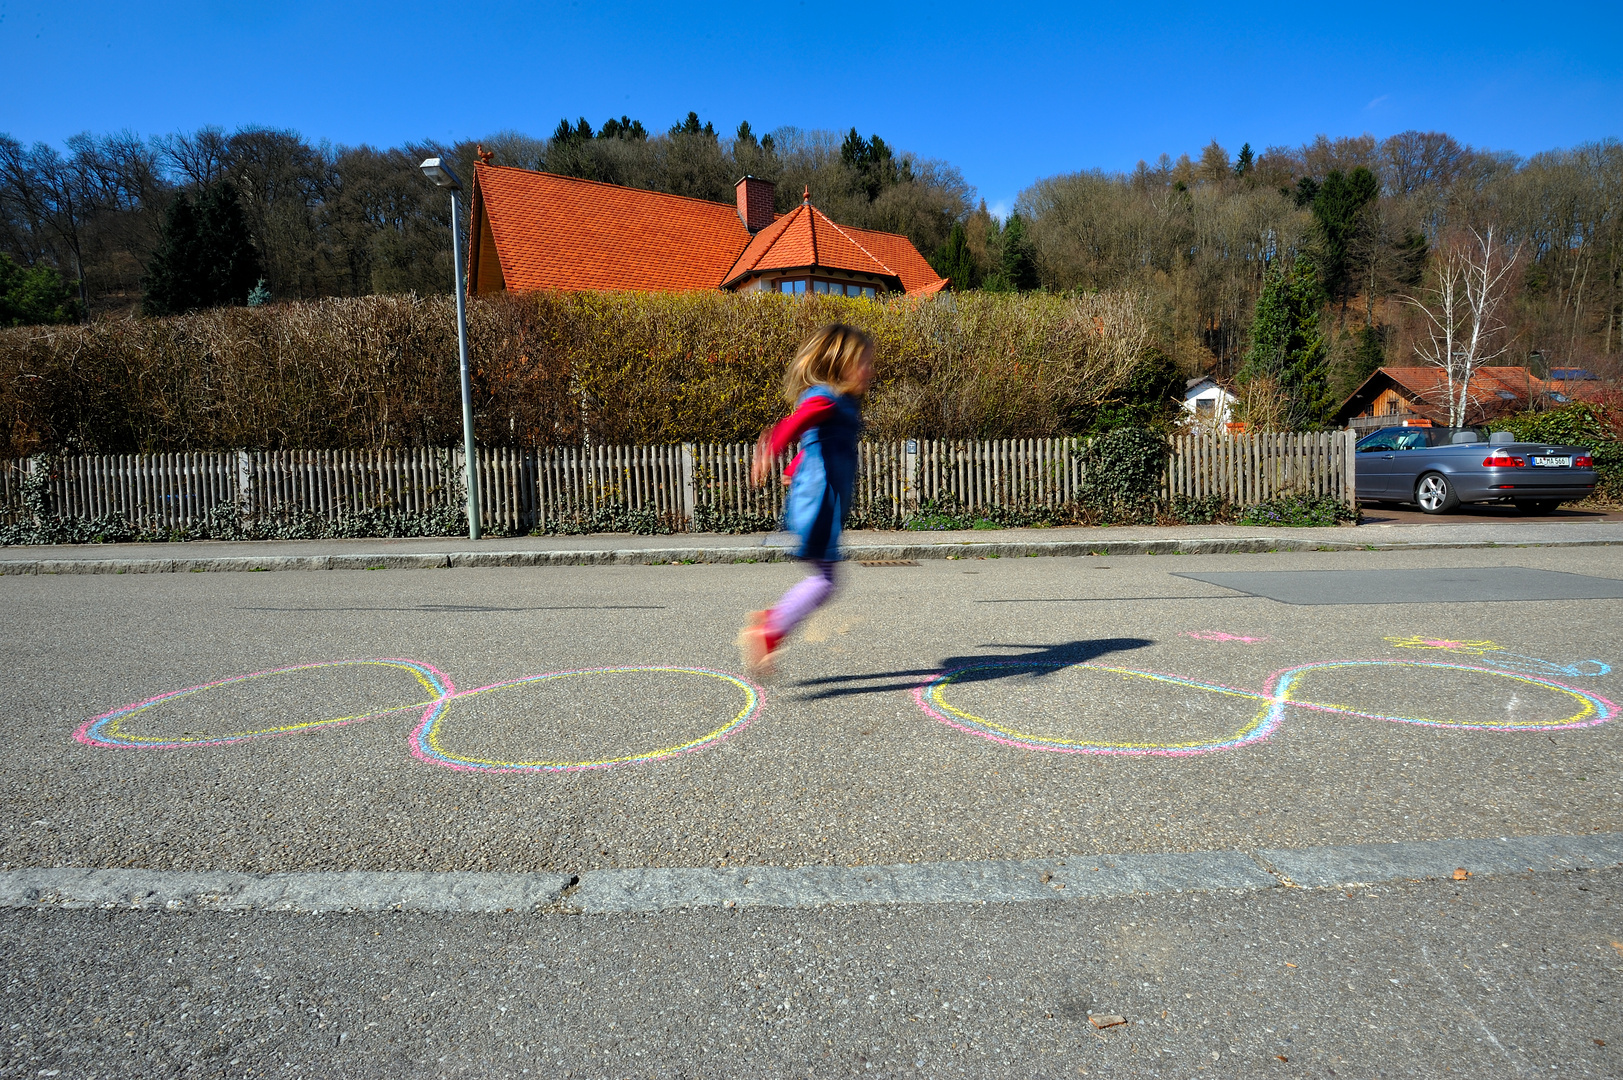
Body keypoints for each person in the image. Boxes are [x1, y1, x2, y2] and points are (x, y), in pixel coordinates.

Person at [737, 323, 874, 676]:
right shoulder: (825, 396)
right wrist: (773, 446)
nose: (869, 371)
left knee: (824, 579)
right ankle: (770, 629)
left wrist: (796, 464)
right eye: (864, 362)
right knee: (826, 581)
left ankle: (773, 622)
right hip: (820, 504)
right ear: (840, 363)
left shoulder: (840, 402)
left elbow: (817, 441)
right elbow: (802, 419)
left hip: (821, 499)